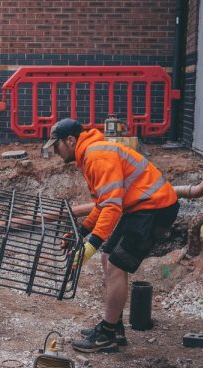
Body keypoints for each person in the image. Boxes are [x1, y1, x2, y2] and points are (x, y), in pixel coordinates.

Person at [43, 118, 179, 353]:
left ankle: (107, 333)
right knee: (108, 258)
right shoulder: (89, 155)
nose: (55, 151)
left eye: (56, 145)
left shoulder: (96, 156)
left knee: (116, 265)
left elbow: (112, 207)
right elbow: (102, 203)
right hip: (141, 207)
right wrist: (81, 233)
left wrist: (91, 245)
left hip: (154, 208)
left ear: (70, 140)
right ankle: (114, 328)